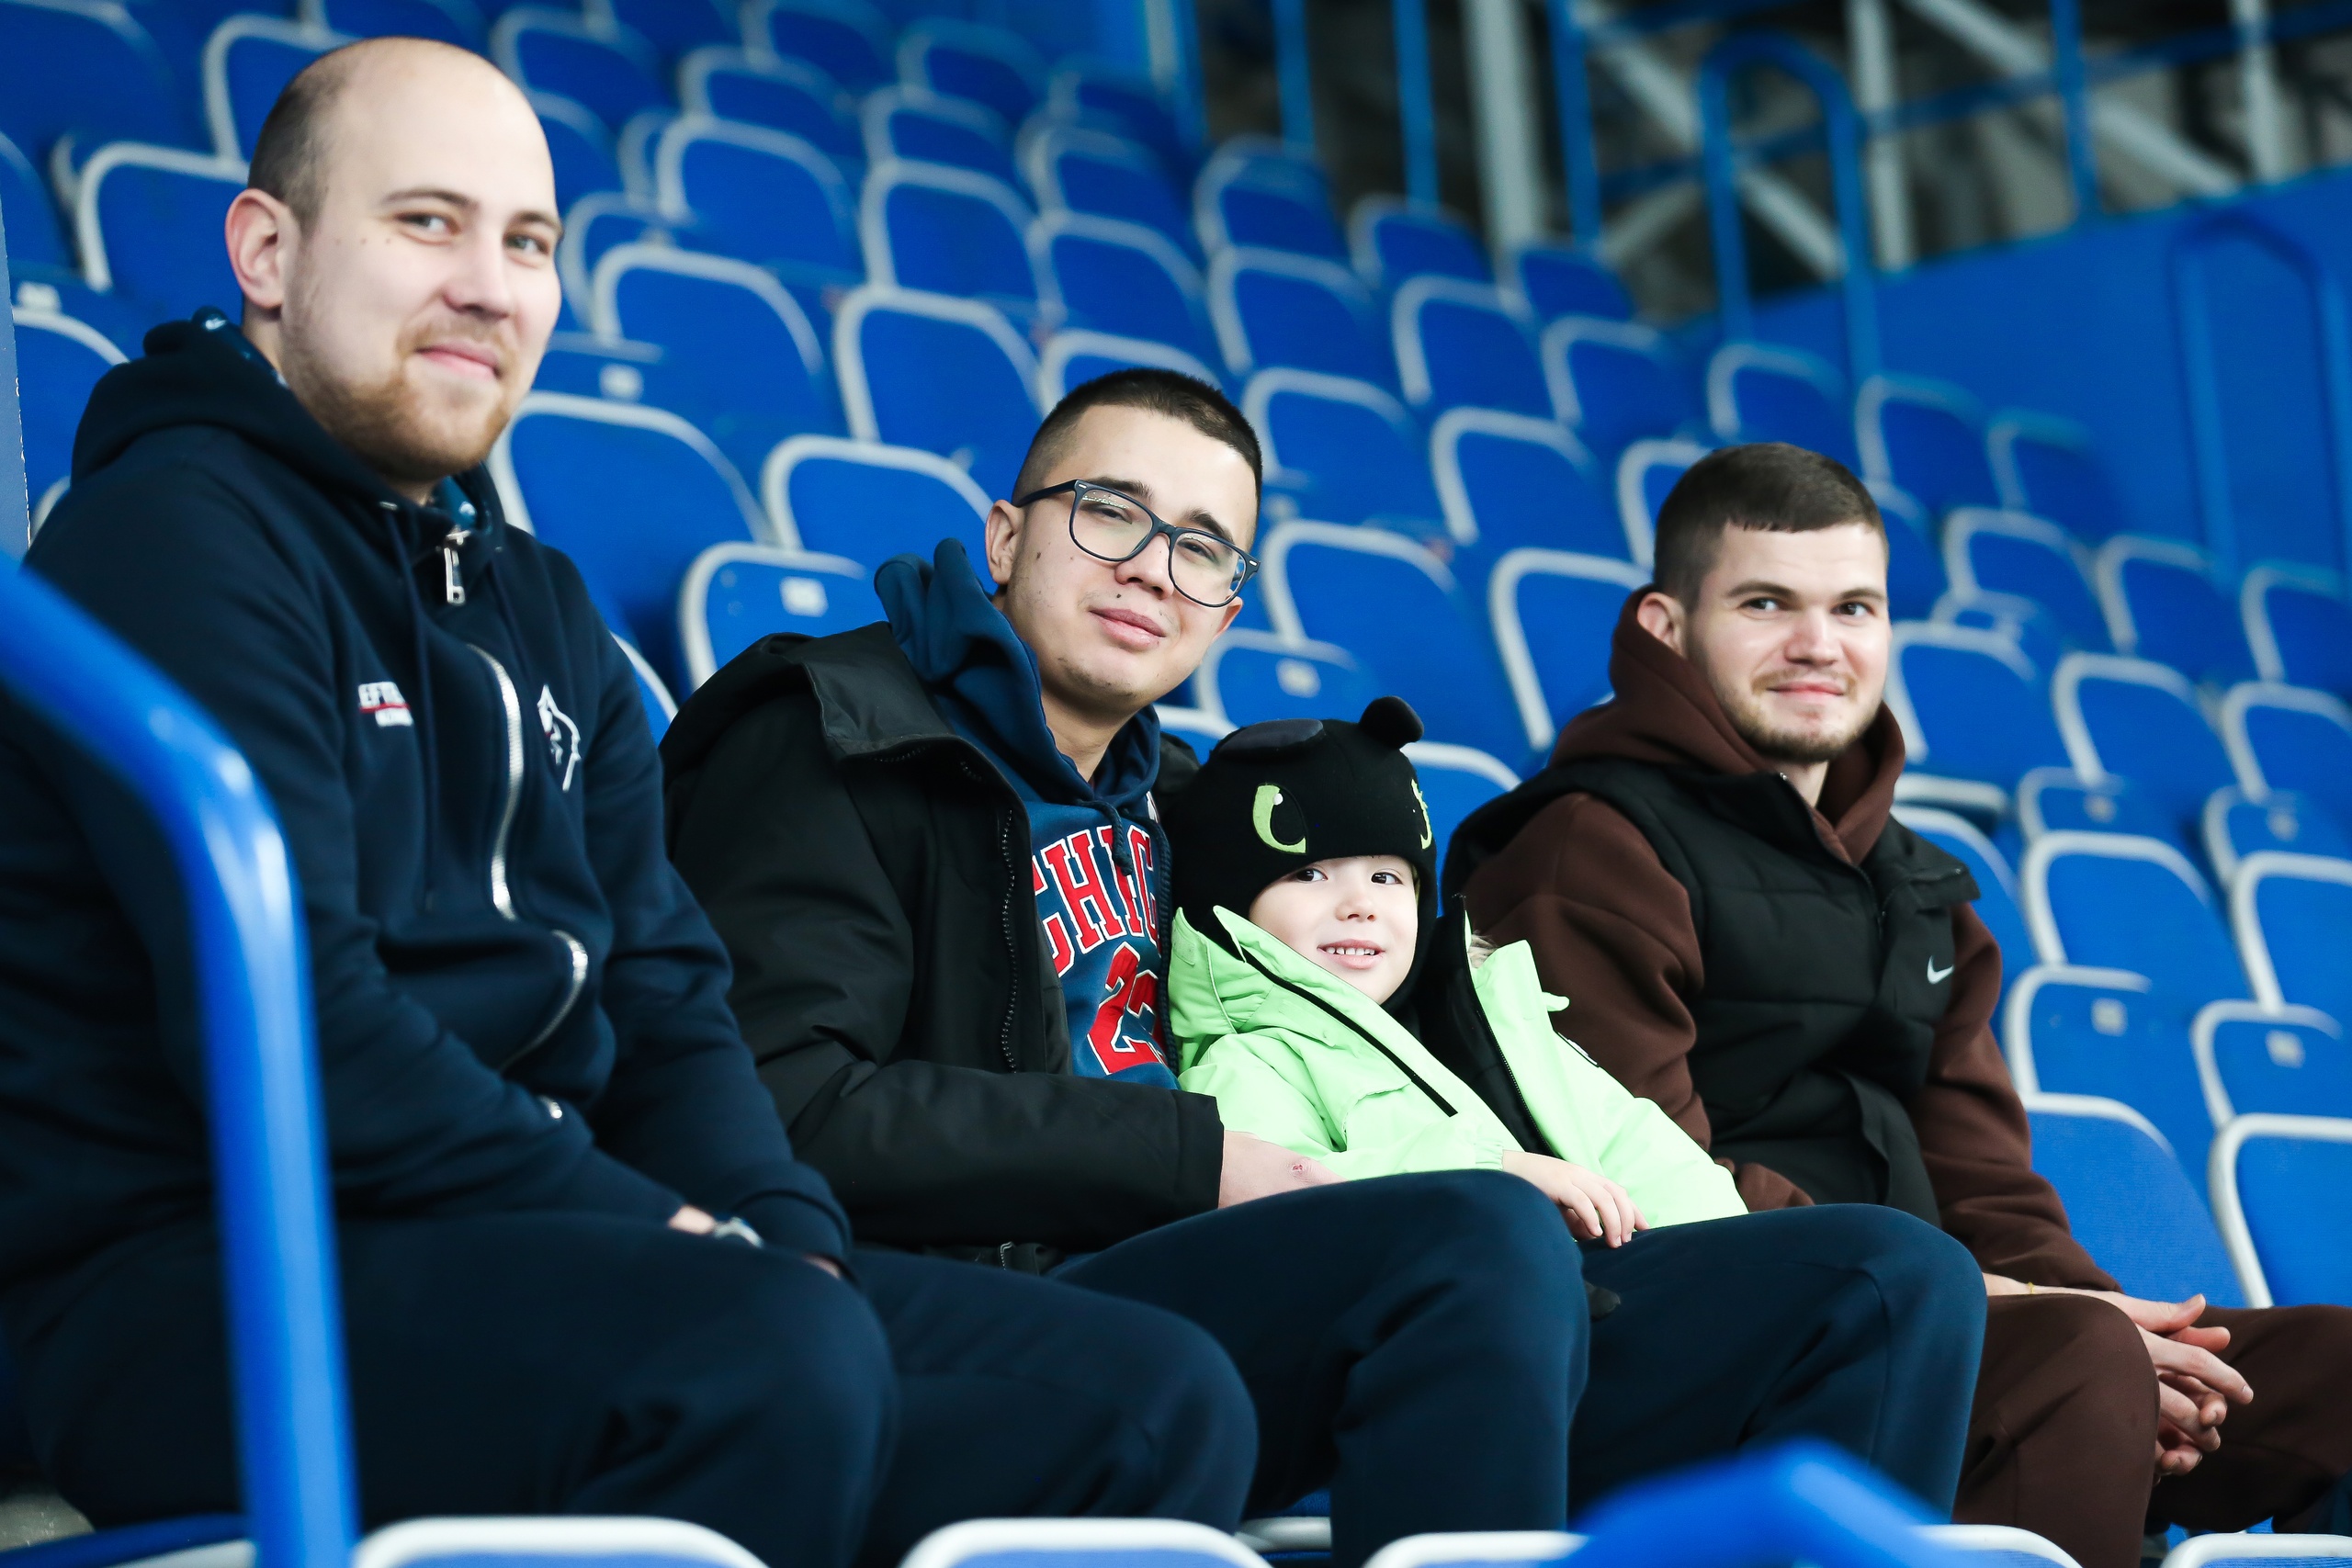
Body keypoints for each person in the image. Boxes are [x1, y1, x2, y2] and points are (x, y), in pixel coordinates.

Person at [0, 40, 1263, 1567]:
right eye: (427, 222)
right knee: (763, 1353)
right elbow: (309, 1028)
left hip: (533, 1250)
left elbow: (670, 997)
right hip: (208, 1279)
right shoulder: (173, 535)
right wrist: (671, 1237)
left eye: (528, 243)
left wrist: (786, 1235)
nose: (490, 286)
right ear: (268, 252)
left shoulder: (538, 602)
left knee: (1156, 1397)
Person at [662, 369, 1590, 1568]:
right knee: (1473, 1246)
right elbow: (782, 1108)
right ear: (1006, 537)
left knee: (1818, 1286)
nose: (1154, 569)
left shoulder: (1193, 813)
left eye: (1203, 548)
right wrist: (1190, 1157)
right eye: (1110, 511)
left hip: (1177, 1274)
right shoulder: (836, 736)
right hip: (970, 1304)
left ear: (1227, 612)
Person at [1445, 441, 2352, 1568]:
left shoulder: (1916, 884)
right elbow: (1644, 1182)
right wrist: (2031, 1316)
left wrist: (2131, 1341)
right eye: (1765, 603)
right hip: (1705, 1341)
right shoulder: (1585, 847)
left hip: (1942, 1324)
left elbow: (1988, 1182)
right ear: (1665, 627)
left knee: (2330, 1369)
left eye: (1854, 608)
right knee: (2075, 1358)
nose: (1817, 644)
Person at [1156, 695, 1986, 1514]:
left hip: (1606, 1325)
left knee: (1904, 1269)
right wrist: (1494, 1175)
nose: (1360, 903)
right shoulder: (1246, 1056)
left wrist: (1736, 1271)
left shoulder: (1499, 1018)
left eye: (1387, 875)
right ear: (1230, 898)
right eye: (1308, 874)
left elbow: (1643, 1149)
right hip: (1460, 1369)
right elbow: (1291, 1224)